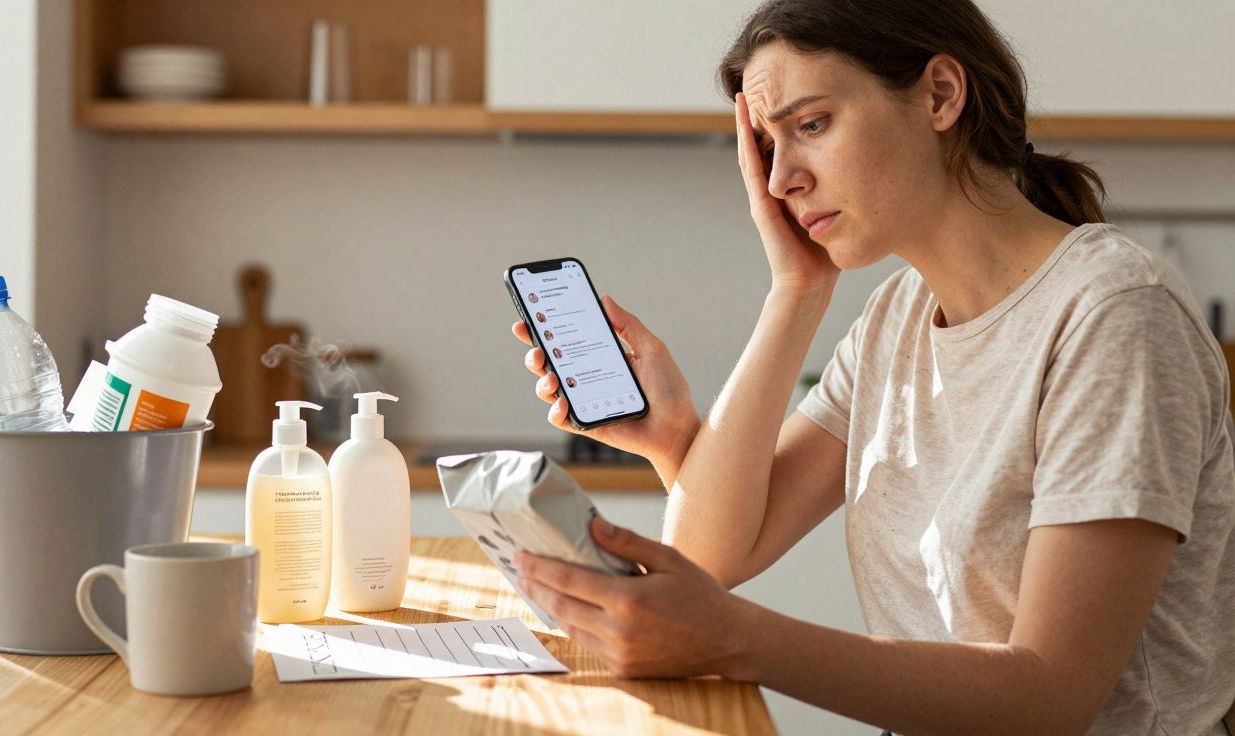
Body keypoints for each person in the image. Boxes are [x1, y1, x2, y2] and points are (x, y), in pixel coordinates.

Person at [507, 1, 1235, 734]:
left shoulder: (1115, 315)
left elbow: (1051, 696)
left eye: (811, 126)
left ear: (941, 95)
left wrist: (736, 636)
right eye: (766, 147)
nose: (781, 180)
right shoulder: (899, 314)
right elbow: (711, 554)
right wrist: (793, 296)